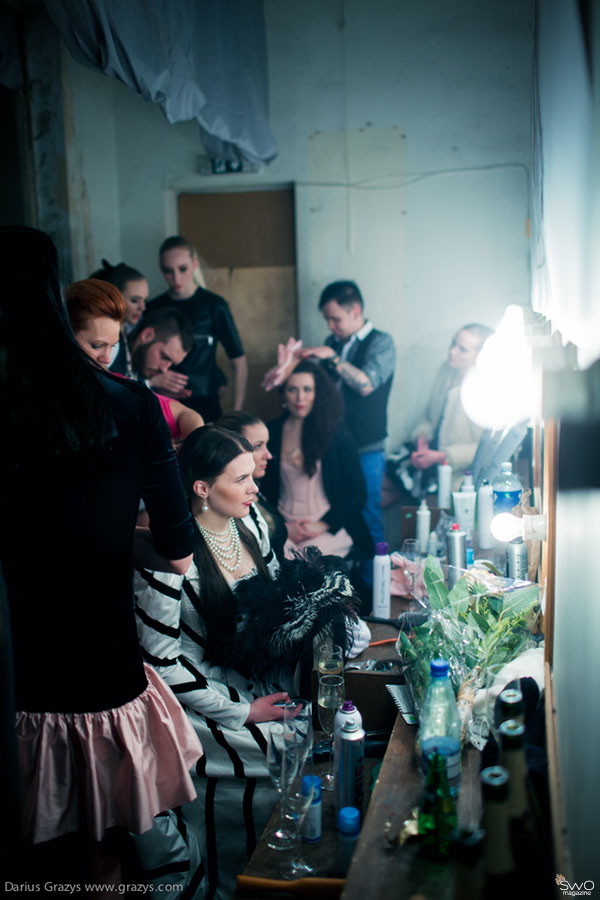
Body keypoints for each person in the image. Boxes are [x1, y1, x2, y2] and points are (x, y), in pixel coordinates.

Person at [0, 227, 203, 888]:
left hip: (16, 677)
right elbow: (177, 550)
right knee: (100, 862)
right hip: (98, 672)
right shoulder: (130, 405)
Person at [134, 425, 356, 899]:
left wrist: (321, 612)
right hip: (198, 697)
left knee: (317, 729)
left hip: (256, 674)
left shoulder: (250, 523)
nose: (257, 487)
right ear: (202, 489)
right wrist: (242, 712)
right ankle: (237, 877)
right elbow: (160, 665)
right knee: (278, 744)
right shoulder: (166, 559)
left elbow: (276, 607)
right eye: (241, 479)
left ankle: (287, 867)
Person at [299, 281, 395, 546]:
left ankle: (377, 583)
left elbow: (366, 384)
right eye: (327, 319)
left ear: (355, 310)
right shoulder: (333, 342)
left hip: (367, 444)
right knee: (336, 512)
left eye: (335, 318)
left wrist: (333, 358)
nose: (330, 326)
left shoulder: (381, 342)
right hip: (333, 443)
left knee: (369, 514)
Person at [260, 360, 373, 563]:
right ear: (283, 393)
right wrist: (282, 527)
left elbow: (358, 493)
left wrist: (323, 524)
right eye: (292, 389)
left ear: (317, 393)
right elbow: (264, 491)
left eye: (307, 389)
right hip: (285, 525)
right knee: (272, 561)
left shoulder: (336, 434)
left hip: (327, 526)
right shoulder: (272, 431)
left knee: (304, 563)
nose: (300, 398)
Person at [66, 279, 203, 443]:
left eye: (112, 346)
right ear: (147, 335)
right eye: (164, 357)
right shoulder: (113, 355)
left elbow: (185, 415)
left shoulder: (120, 369)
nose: (106, 358)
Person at [384, 323, 494, 503]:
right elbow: (429, 415)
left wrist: (442, 456)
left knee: (385, 494)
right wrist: (422, 439)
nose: (452, 352)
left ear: (480, 356)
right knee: (379, 483)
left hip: (454, 467)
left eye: (462, 349)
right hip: (431, 450)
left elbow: (487, 448)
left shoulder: (484, 390)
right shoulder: (446, 372)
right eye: (453, 344)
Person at [146, 235, 248, 420]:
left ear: (194, 264)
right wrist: (152, 381)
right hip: (162, 401)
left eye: (182, 268)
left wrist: (236, 413)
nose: (176, 277)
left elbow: (239, 361)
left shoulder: (215, 306)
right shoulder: (153, 308)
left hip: (205, 401)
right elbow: (139, 358)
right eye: (168, 271)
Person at [217, 410, 288, 562]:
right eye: (257, 447)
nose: (268, 455)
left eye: (266, 445)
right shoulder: (233, 506)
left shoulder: (259, 485)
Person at [90, 259, 149, 376]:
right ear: (114, 297)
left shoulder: (127, 331)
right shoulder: (105, 340)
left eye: (145, 300)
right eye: (134, 300)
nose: (142, 308)